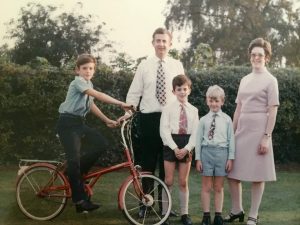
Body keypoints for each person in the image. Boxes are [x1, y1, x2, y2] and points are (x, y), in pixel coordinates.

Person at [56, 54, 131, 213]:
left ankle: (75, 172)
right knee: (74, 160)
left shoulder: (88, 83)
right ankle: (80, 200)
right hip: (67, 124)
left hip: (78, 123)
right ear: (77, 70)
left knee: (101, 144)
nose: (88, 71)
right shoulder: (77, 82)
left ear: (94, 71)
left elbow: (91, 105)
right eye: (84, 68)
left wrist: (106, 120)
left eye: (91, 68)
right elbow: (98, 95)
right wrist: (121, 103)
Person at [125, 27, 184, 217]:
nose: (161, 44)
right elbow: (134, 93)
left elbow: (183, 93)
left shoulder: (177, 65)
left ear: (170, 44)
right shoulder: (144, 65)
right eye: (157, 41)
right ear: (153, 43)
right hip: (148, 119)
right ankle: (145, 203)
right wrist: (127, 113)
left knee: (167, 164)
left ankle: (164, 206)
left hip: (170, 119)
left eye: (164, 41)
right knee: (148, 163)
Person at [225, 38, 279, 225]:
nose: (256, 58)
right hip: (242, 129)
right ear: (250, 57)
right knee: (232, 172)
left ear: (267, 58)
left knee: (258, 174)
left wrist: (266, 137)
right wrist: (231, 133)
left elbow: (273, 110)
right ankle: (236, 210)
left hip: (259, 130)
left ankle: (253, 215)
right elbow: (239, 108)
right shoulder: (244, 80)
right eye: (254, 55)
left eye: (260, 55)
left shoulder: (271, 80)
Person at [160, 75, 199, 225]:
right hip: (171, 144)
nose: (182, 92)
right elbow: (164, 130)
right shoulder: (168, 109)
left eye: (185, 89)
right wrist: (175, 148)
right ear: (173, 91)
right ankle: (165, 213)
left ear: (189, 90)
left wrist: (187, 148)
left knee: (183, 181)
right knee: (168, 181)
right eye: (179, 89)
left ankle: (185, 214)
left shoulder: (194, 110)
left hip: (187, 143)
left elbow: (196, 132)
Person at [195, 85, 235, 225]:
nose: (214, 104)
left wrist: (231, 158)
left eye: (216, 101)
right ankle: (206, 215)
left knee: (218, 187)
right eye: (211, 101)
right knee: (206, 186)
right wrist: (198, 158)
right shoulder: (203, 120)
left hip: (222, 154)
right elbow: (198, 140)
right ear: (207, 101)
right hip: (206, 153)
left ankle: (218, 215)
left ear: (222, 101)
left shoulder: (227, 119)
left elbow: (231, 140)